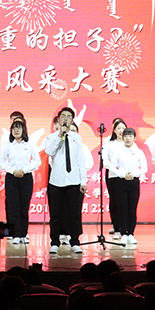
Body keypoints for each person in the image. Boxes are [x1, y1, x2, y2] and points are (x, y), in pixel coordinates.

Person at [44, 107, 87, 254]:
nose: (66, 119)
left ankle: (74, 241)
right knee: (55, 213)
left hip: (74, 180)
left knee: (74, 213)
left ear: (72, 120)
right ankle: (54, 242)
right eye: (63, 116)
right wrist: (60, 135)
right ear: (58, 119)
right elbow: (49, 151)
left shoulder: (76, 138)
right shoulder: (51, 137)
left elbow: (80, 160)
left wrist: (83, 181)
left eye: (69, 117)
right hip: (56, 180)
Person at [0, 118, 40, 245]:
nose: (16, 130)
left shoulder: (30, 144)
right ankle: (16, 234)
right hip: (11, 178)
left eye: (18, 127)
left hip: (26, 178)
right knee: (13, 207)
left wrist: (24, 170)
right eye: (14, 128)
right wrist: (12, 171)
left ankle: (23, 234)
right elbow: (1, 161)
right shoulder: (8, 144)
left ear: (24, 130)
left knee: (24, 207)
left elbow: (37, 161)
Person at [105, 127, 147, 245]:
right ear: (122, 138)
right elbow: (113, 166)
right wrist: (123, 174)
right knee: (122, 209)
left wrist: (133, 174)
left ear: (134, 138)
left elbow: (144, 167)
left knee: (132, 209)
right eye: (126, 136)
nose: (128, 138)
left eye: (130, 136)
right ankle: (123, 234)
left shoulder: (139, 152)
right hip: (121, 182)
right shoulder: (118, 152)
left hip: (134, 182)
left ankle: (131, 234)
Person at [103, 118, 127, 239]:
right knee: (115, 201)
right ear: (114, 130)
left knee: (125, 203)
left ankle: (125, 229)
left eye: (123, 128)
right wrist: (114, 167)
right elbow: (105, 160)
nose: (121, 130)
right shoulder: (109, 143)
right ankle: (116, 227)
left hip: (126, 176)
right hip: (113, 176)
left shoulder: (129, 143)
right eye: (119, 128)